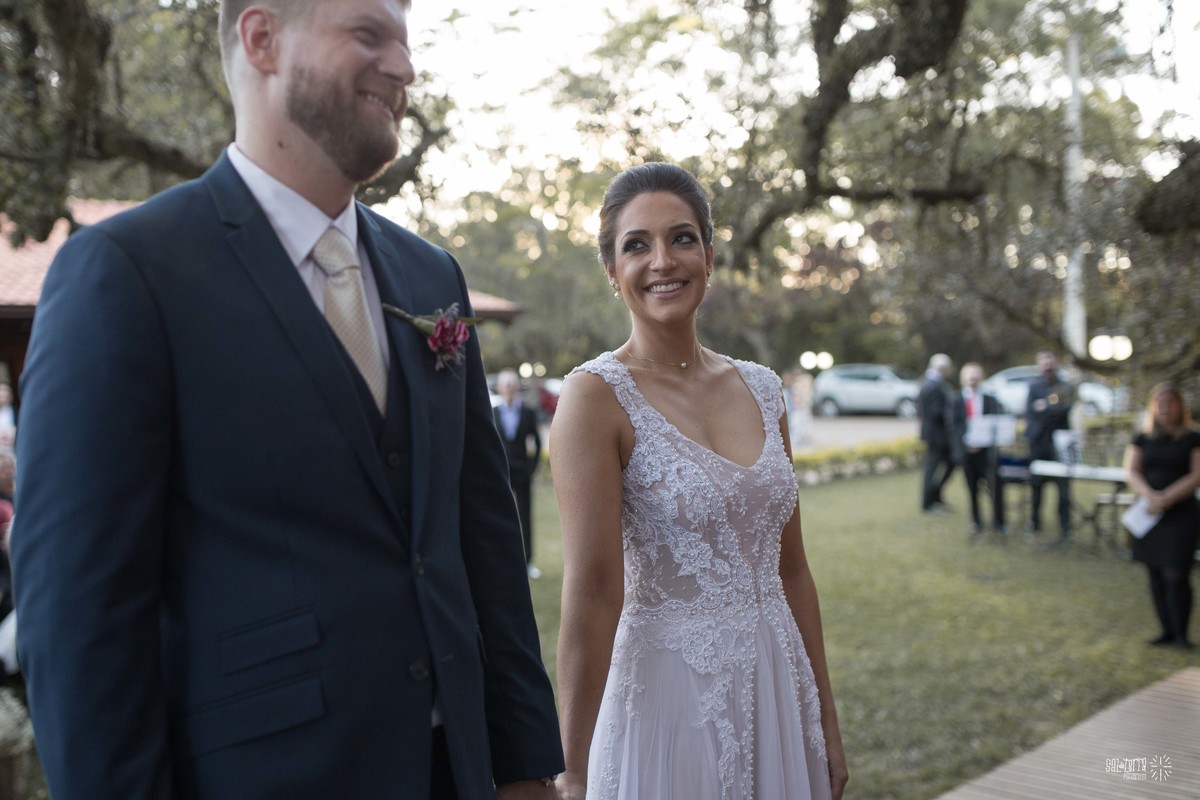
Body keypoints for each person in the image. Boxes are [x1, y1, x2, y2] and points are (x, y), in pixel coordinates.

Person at [11, 0, 563, 797]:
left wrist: (522, 766)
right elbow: (78, 619)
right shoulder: (129, 274)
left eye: (407, 44)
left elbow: (482, 540)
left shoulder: (430, 277)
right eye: (370, 35)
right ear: (263, 38)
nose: (404, 69)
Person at [551, 163, 847, 800]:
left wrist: (824, 714)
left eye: (682, 238)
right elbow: (595, 593)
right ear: (612, 271)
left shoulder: (765, 390)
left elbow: (791, 569)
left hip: (777, 686)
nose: (663, 260)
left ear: (709, 256)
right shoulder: (594, 398)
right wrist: (572, 772)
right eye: (637, 245)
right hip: (669, 701)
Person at [1123, 383, 1200, 649]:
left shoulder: (1192, 438)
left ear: (1180, 405)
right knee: (1154, 572)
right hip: (1149, 511)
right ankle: (1166, 629)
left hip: (1180, 512)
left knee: (1176, 573)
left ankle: (1181, 632)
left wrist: (1167, 497)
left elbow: (1196, 474)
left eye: (1170, 402)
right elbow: (1132, 471)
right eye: (1160, 402)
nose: (1165, 407)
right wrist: (1151, 496)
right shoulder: (1143, 438)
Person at [493, 369, 544, 579]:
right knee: (500, 517)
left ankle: (528, 561)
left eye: (512, 384)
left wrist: (532, 467)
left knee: (525, 517)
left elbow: (538, 442)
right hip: (501, 474)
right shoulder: (493, 412)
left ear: (517, 387)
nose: (508, 388)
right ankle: (502, 561)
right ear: (499, 388)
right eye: (505, 384)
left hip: (522, 474)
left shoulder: (528, 412)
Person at [1025, 350, 1075, 547]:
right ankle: (1035, 522)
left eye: (1050, 359)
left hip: (1060, 443)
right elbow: (1030, 410)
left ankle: (1065, 526)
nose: (1047, 364)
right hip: (1038, 442)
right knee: (1036, 485)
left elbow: (1064, 409)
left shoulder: (1065, 385)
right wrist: (1051, 407)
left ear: (1056, 362)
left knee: (1063, 488)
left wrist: (1044, 406)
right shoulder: (1034, 385)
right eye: (1043, 360)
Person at [952, 363, 1007, 538]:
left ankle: (999, 521)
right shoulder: (956, 400)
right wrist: (966, 442)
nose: (973, 379)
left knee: (995, 487)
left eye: (976, 375)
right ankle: (976, 521)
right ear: (963, 378)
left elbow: (998, 422)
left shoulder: (990, 400)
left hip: (987, 453)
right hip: (968, 453)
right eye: (969, 375)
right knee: (972, 489)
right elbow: (953, 426)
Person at [918, 353, 957, 513]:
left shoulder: (933, 383)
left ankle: (936, 496)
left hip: (939, 435)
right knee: (931, 468)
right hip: (936, 435)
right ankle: (928, 502)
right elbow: (936, 412)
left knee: (951, 463)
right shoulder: (931, 385)